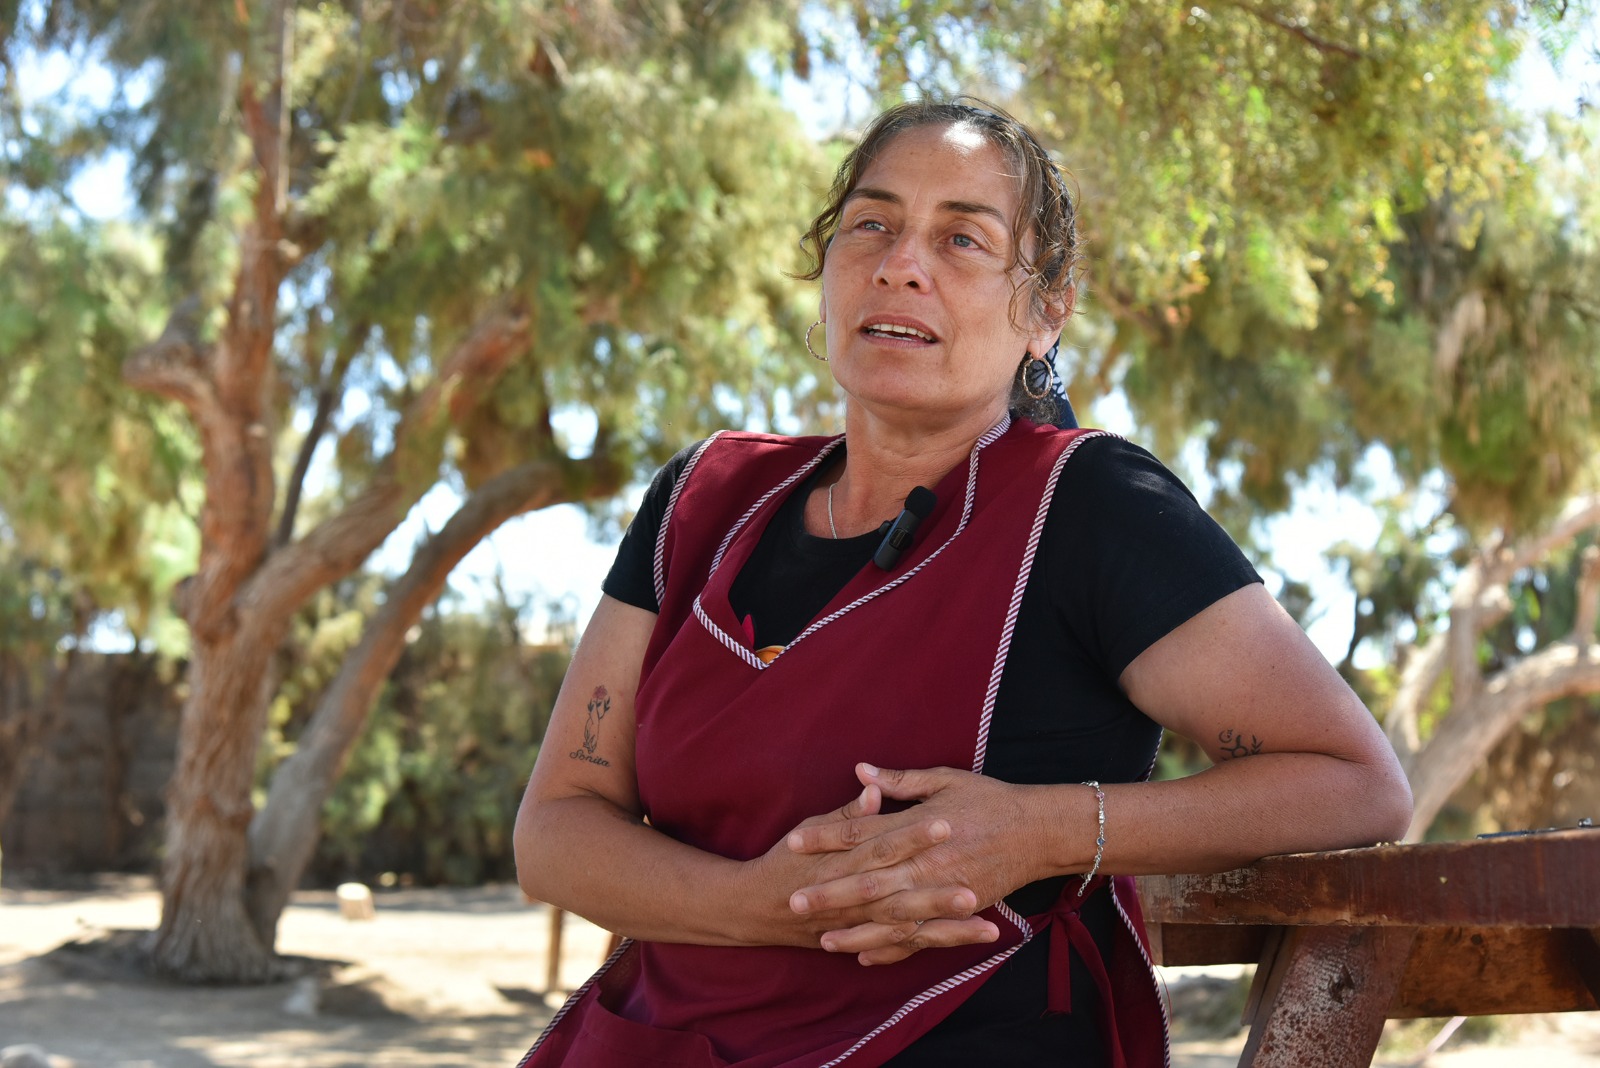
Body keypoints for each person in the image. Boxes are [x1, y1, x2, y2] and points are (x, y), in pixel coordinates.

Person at [512, 97, 1412, 1067]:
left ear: (1046, 311)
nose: (901, 263)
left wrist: (1040, 830)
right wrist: (757, 906)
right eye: (872, 224)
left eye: (962, 239)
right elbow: (556, 829)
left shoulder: (1090, 506)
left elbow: (1354, 784)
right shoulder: (701, 501)